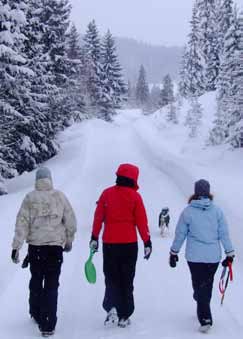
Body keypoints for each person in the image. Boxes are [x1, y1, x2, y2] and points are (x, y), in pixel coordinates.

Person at [11, 167, 77, 337]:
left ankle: (35, 311)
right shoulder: (59, 197)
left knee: (36, 280)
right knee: (52, 284)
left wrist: (16, 247)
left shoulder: (30, 198)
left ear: (37, 180)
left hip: (36, 248)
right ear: (50, 179)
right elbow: (71, 221)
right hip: (55, 248)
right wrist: (68, 241)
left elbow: (22, 223)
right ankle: (48, 324)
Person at [89, 163, 152, 328]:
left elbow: (98, 217)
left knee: (111, 277)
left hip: (110, 243)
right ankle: (125, 314)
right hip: (129, 244)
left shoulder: (107, 194)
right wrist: (147, 241)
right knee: (127, 278)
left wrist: (94, 236)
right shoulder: (135, 197)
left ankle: (111, 307)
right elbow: (141, 221)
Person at [169, 179, 234, 333]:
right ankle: (201, 300)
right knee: (206, 285)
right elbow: (224, 234)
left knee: (199, 284)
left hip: (194, 257)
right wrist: (229, 253)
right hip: (213, 258)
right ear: (208, 192)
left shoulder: (188, 211)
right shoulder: (217, 211)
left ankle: (205, 318)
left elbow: (180, 234)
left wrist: (174, 252)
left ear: (196, 192)